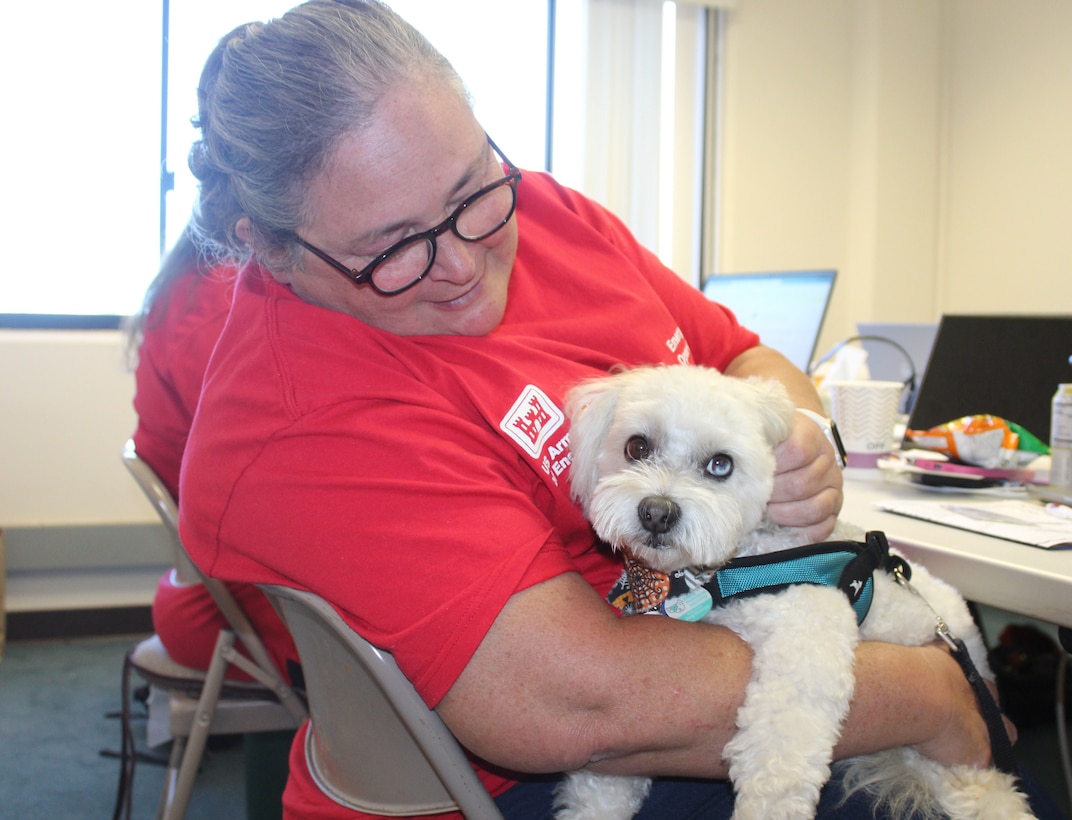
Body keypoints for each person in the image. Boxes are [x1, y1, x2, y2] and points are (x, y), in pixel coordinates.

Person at [176, 2, 1058, 818]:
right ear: (272, 248)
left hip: (734, 645)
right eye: (393, 249)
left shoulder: (547, 213)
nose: (461, 262)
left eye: (471, 191)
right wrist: (932, 695)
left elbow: (744, 356)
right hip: (561, 765)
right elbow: (581, 701)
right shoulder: (302, 418)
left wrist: (796, 436)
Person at [128, 229, 299, 684]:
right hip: (228, 615)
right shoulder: (224, 304)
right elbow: (268, 489)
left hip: (213, 586)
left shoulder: (196, 282)